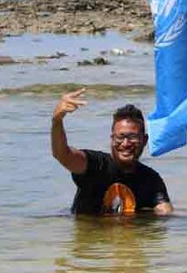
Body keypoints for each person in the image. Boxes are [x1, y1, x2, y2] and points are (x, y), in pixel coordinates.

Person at [51, 88, 173, 216]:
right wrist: (57, 121)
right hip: (91, 233)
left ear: (144, 140)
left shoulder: (151, 180)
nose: (125, 144)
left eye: (133, 137)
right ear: (112, 139)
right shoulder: (95, 165)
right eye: (120, 137)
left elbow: (165, 213)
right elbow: (62, 154)